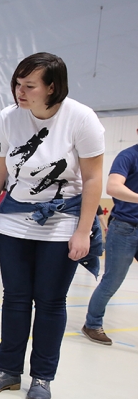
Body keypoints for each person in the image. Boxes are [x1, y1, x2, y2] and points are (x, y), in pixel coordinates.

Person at [0, 52, 104, 399]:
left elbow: (93, 178)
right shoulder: (8, 117)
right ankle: (8, 371)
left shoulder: (81, 118)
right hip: (15, 218)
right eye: (17, 83)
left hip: (62, 221)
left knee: (50, 301)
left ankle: (43, 377)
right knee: (15, 299)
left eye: (29, 85)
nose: (20, 90)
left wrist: (83, 231)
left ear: (52, 87)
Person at [82, 144, 138, 346]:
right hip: (125, 227)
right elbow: (113, 187)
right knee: (113, 280)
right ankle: (92, 324)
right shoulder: (128, 156)